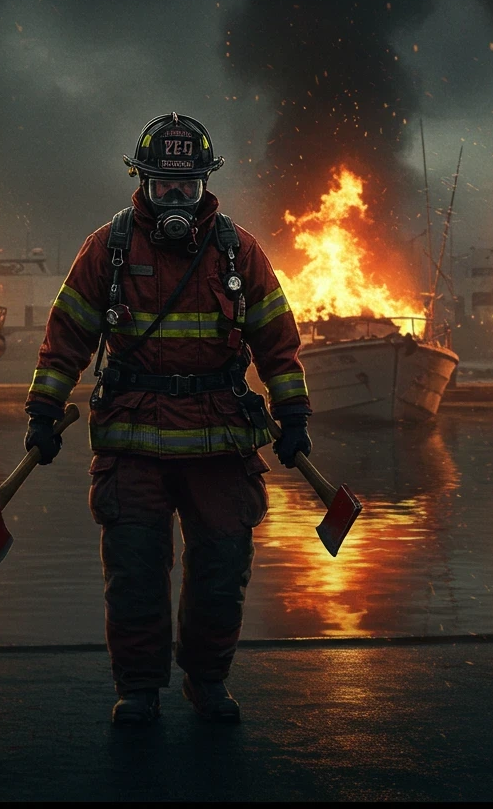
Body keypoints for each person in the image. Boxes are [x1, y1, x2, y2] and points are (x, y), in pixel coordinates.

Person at [24, 112, 312, 725]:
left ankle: (207, 681)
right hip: (134, 441)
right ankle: (139, 689)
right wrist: (43, 409)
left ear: (205, 184)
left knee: (221, 569)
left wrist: (293, 414)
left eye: (187, 186)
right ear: (143, 182)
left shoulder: (239, 250)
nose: (176, 197)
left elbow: (277, 339)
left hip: (220, 441)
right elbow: (68, 332)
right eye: (164, 185)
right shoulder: (111, 248)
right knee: (134, 574)